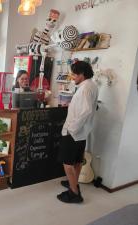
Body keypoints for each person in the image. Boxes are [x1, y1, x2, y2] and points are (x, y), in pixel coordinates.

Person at [57, 61, 98, 203]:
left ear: (82, 74)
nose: (72, 77)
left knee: (67, 163)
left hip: (74, 132)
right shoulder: (90, 85)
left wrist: (71, 128)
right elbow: (85, 107)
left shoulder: (85, 88)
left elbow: (86, 111)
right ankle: (72, 183)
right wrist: (72, 105)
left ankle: (74, 193)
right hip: (82, 132)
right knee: (77, 160)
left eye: (74, 74)